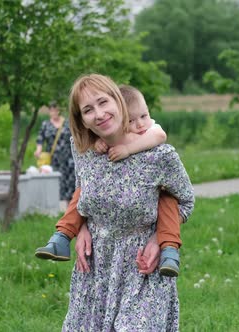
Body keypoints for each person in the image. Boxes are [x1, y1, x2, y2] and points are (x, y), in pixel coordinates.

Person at [60, 74, 194, 331]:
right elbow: (82, 192)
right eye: (88, 110)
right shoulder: (83, 152)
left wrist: (159, 239)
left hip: (142, 267)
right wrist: (82, 227)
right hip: (96, 269)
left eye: (103, 102)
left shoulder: (159, 156)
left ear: (118, 101)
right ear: (82, 120)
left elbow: (185, 202)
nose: (98, 114)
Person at [35, 85, 184, 277]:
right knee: (80, 193)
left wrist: (128, 149)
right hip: (99, 256)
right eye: (132, 120)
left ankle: (170, 249)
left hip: (143, 245)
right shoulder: (90, 148)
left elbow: (159, 135)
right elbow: (84, 188)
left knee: (167, 199)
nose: (140, 124)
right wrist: (96, 142)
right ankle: (61, 236)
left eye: (144, 116)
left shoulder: (151, 135)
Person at [34, 102, 75, 203]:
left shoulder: (67, 123)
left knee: (70, 184)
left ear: (59, 110)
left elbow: (75, 138)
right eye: (51, 110)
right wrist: (38, 149)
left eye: (55, 110)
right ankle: (55, 209)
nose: (54, 112)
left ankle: (69, 207)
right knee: (56, 183)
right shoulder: (46, 124)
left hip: (68, 159)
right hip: (53, 160)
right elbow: (40, 138)